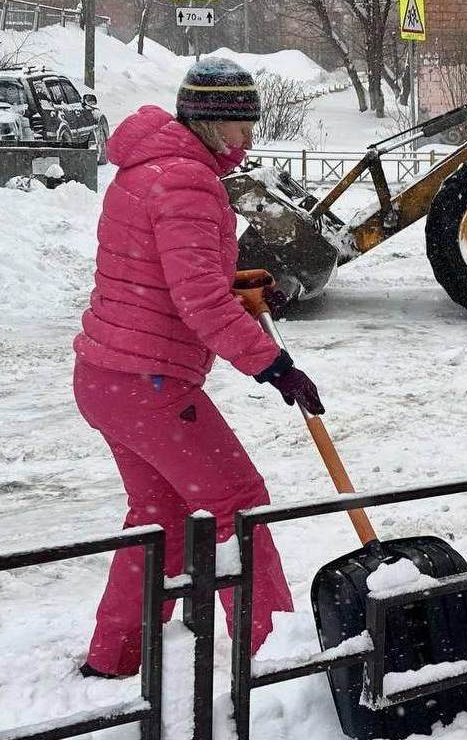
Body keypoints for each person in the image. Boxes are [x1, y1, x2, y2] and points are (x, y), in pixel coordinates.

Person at [72, 58, 324, 678]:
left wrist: (243, 287)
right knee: (239, 503)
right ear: (211, 122)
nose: (250, 137)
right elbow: (198, 301)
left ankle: (117, 654)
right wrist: (275, 366)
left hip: (109, 379)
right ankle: (272, 654)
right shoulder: (187, 182)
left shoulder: (148, 169)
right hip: (150, 384)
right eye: (242, 124)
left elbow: (165, 277)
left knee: (159, 517)